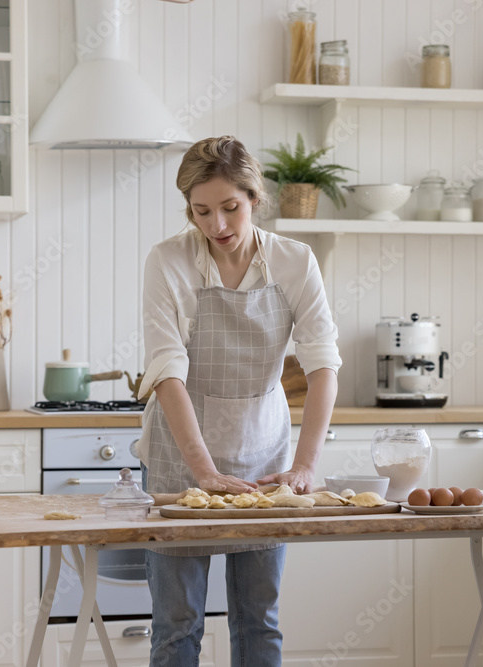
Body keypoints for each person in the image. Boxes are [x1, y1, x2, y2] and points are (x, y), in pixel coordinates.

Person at [136, 135, 341, 666]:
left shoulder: (296, 262)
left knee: (258, 621)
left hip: (264, 462)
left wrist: (305, 466)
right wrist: (201, 471)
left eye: (230, 207)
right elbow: (166, 373)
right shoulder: (167, 262)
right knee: (177, 626)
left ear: (254, 197)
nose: (217, 226)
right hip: (180, 461)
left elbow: (322, 366)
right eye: (201, 212)